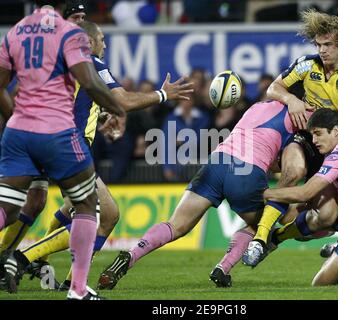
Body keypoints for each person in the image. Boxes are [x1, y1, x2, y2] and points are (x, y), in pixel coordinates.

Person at [0, 18, 194, 292]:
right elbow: (122, 99)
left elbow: (76, 100)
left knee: (36, 205)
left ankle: (48, 268)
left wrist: (103, 115)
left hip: (34, 137)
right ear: (89, 42)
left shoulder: (56, 62)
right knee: (103, 213)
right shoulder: (92, 61)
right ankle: (23, 258)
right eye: (102, 38)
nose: (105, 43)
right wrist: (163, 94)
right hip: (65, 147)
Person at [94, 99, 303, 290]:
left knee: (176, 225)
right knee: (265, 223)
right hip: (246, 171)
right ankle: (223, 267)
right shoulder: (299, 116)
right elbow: (284, 164)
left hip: (216, 161)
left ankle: (130, 256)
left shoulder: (258, 106)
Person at [0, 0, 126, 300]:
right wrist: (117, 108)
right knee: (88, 206)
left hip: (18, 131)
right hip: (56, 132)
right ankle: (78, 290)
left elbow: (3, 86)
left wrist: (13, 121)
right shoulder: (68, 34)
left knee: (9, 206)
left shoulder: (15, 32)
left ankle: (17, 257)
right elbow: (89, 81)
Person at [244, 9, 338, 264]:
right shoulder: (306, 64)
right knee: (293, 171)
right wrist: (291, 99)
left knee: (324, 216)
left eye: (328, 45)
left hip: (335, 147)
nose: (322, 50)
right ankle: (259, 239)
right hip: (305, 138)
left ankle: (276, 239)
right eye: (319, 44)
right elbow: (273, 88)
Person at [256, 109, 338, 286]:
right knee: (315, 211)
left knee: (319, 285)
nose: (314, 140)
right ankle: (280, 237)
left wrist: (262, 193)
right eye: (312, 135)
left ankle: (332, 247)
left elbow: (304, 192)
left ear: (335, 131)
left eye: (318, 134)